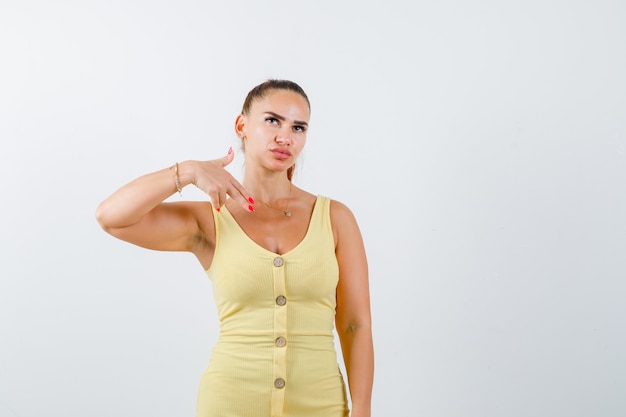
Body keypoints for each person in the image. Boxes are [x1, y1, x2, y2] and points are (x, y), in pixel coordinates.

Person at [95, 79, 374, 417]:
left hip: (323, 405)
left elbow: (354, 325)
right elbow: (111, 217)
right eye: (272, 120)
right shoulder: (210, 220)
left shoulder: (334, 218)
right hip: (230, 403)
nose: (285, 136)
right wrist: (187, 171)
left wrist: (362, 410)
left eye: (298, 127)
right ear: (242, 126)